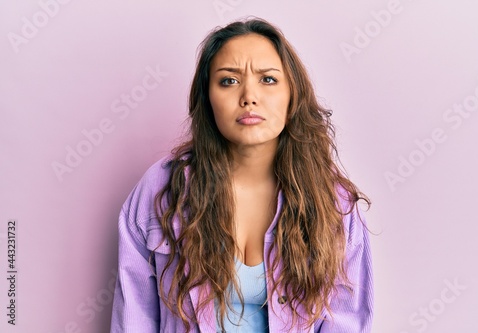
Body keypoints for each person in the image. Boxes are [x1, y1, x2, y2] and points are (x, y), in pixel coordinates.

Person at [110, 18, 373, 333]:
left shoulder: (332, 201)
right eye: (228, 81)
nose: (249, 96)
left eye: (268, 80)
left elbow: (347, 321)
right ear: (207, 98)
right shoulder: (162, 190)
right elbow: (134, 317)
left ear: (293, 95)